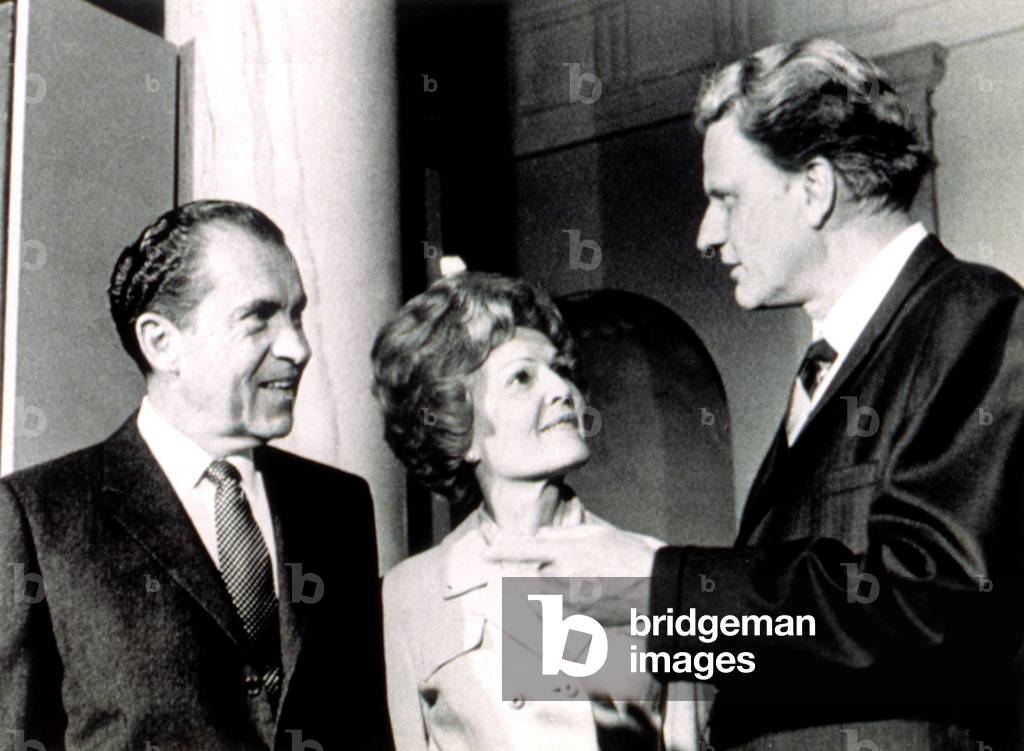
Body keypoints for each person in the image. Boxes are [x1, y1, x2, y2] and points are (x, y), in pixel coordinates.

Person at [487, 38, 1024, 750]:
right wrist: (538, 639)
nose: (706, 234)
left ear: (814, 188)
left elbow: (936, 610)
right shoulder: (839, 360)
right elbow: (799, 645)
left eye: (725, 198)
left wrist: (661, 581)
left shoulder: (972, 315)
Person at [0, 200, 390, 750]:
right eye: (259, 318)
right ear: (162, 342)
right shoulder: (39, 517)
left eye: (297, 315)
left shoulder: (340, 505)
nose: (298, 347)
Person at [372, 272, 700, 750]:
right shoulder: (411, 593)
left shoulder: (651, 564)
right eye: (522, 377)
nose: (562, 388)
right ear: (459, 427)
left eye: (562, 369)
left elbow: (683, 744)